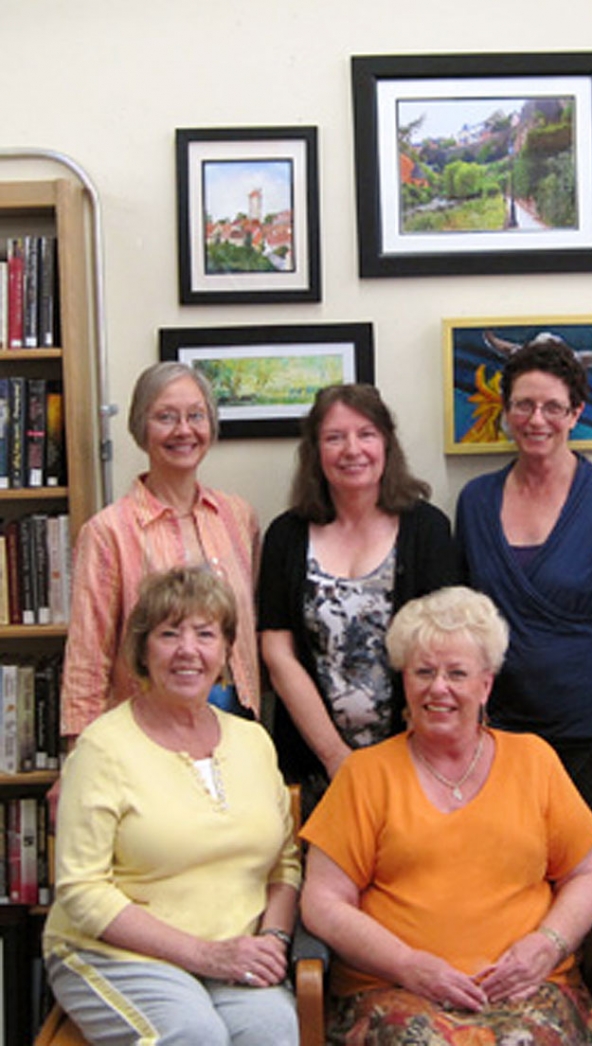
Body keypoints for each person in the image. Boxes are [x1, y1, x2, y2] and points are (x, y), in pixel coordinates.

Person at [300, 586, 592, 1045]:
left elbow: (591, 875)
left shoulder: (533, 760)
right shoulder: (365, 775)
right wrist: (407, 964)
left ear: (486, 684)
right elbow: (323, 902)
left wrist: (547, 944)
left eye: (457, 673)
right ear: (404, 680)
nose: (438, 687)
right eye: (423, 671)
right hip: (398, 991)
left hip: (528, 989)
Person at [44, 567, 301, 1046]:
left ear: (225, 652)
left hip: (235, 949)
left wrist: (274, 939)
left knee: (274, 1029)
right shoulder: (103, 748)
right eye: (169, 634)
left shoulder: (253, 742)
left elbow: (285, 864)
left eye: (205, 634)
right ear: (143, 651)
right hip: (117, 953)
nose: (188, 650)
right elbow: (81, 890)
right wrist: (204, 955)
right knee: (192, 1034)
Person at [455, 337, 592, 883]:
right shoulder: (474, 501)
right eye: (522, 404)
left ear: (576, 414)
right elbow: (464, 625)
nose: (535, 418)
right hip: (501, 734)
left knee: (589, 880)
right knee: (506, 876)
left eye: (551, 407)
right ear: (505, 411)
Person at [258, 383, 458, 815]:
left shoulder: (427, 530)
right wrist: (336, 758)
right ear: (315, 451)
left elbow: (445, 651)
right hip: (312, 763)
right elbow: (277, 653)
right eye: (335, 437)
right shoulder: (285, 536)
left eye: (366, 434)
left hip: (416, 761)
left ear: (386, 442)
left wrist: (397, 760)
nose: (353, 449)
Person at [61, 361, 260, 742]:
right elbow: (88, 659)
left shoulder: (238, 517)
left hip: (236, 720)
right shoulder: (108, 532)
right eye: (166, 417)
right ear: (141, 428)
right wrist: (79, 755)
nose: (183, 430)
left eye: (196, 416)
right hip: (147, 730)